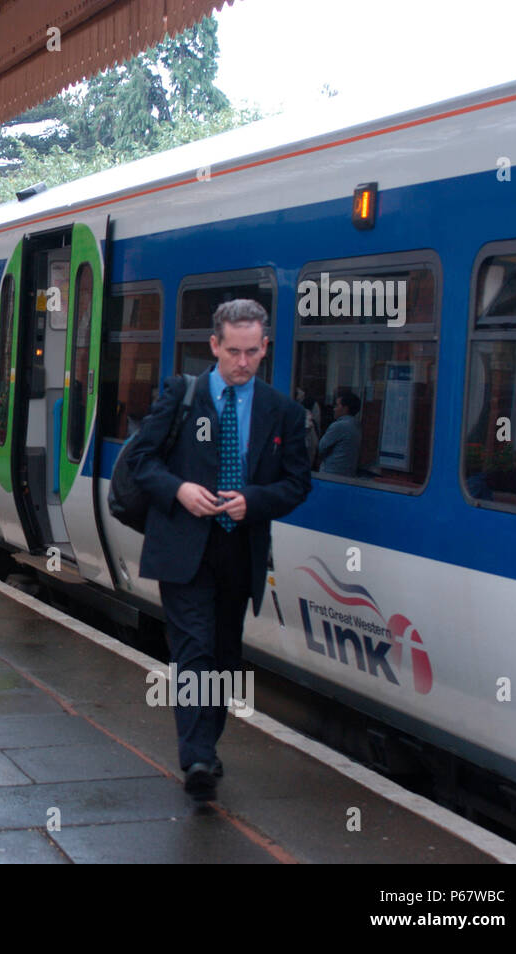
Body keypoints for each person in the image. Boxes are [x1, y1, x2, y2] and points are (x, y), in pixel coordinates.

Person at [126, 299, 311, 803]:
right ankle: (198, 757)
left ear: (265, 347)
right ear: (214, 346)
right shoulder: (181, 395)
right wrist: (179, 490)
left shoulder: (283, 412)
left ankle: (208, 743)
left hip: (239, 553)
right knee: (195, 651)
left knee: (225, 656)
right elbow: (141, 460)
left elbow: (297, 485)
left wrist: (253, 500)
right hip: (184, 549)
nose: (243, 362)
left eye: (253, 352)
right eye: (233, 351)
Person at [317, 391, 362, 477]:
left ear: (345, 408)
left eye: (337, 405)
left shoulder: (339, 426)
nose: (334, 409)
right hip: (347, 474)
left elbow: (321, 447)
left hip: (331, 473)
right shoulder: (357, 425)